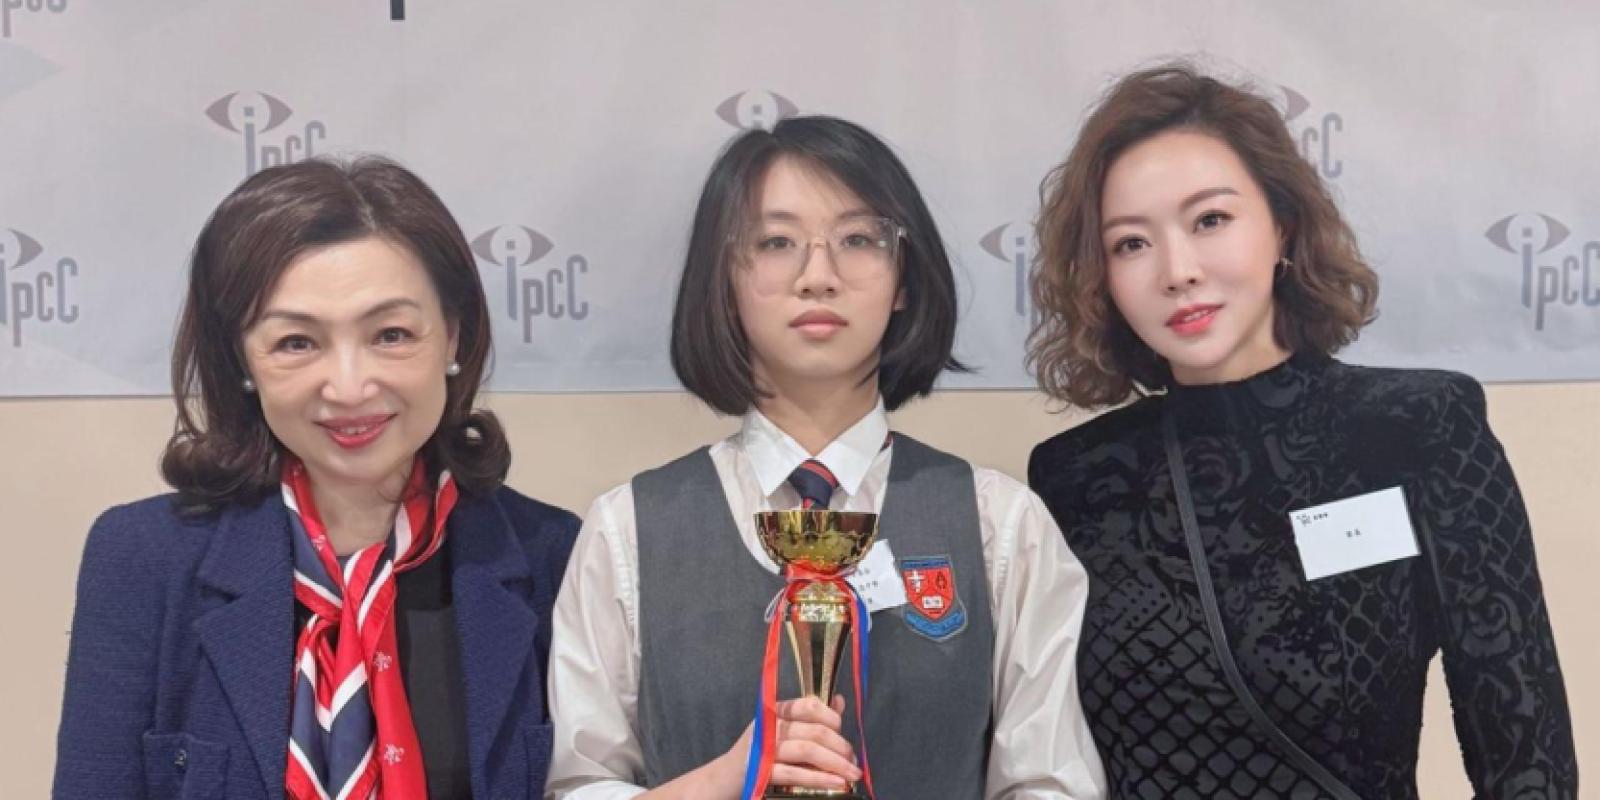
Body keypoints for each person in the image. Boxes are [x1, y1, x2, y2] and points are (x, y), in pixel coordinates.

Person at [1026, 63, 1577, 799]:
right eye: (1131, 243)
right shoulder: (1075, 475)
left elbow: (1526, 751)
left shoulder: (1414, 427)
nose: (1177, 271)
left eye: (1210, 220)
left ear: (1282, 224)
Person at [546, 115, 1106, 799]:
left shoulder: (1001, 525)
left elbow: (1050, 782)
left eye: (858, 239)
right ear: (724, 278)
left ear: (904, 280)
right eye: (776, 242)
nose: (819, 275)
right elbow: (583, 782)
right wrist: (725, 780)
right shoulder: (627, 530)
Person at [53, 157, 579, 799]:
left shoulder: (552, 554)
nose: (349, 387)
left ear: (452, 337)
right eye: (297, 343)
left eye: (391, 334)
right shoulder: (142, 558)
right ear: (242, 360)